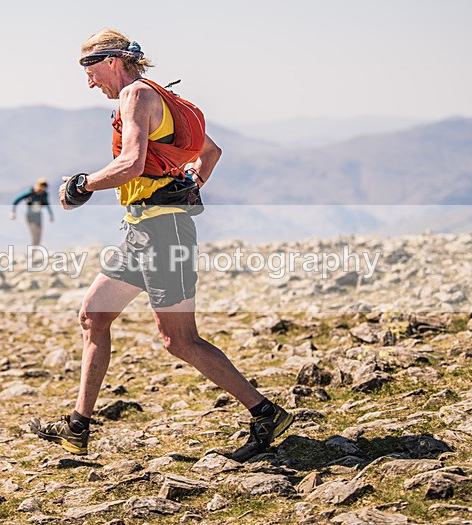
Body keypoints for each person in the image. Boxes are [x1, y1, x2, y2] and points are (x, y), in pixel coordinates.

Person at [29, 29, 293, 462]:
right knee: (93, 316)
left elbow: (131, 162)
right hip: (143, 231)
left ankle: (266, 413)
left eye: (89, 70)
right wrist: (193, 182)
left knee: (179, 340)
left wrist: (82, 185)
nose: (89, 83)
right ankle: (78, 428)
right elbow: (212, 151)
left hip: (163, 233)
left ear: (113, 61)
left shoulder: (135, 95)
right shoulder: (167, 100)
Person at [10, 177, 54, 246]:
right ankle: (30, 252)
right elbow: (16, 200)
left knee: (39, 236)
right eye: (42, 187)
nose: (43, 189)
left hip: (38, 216)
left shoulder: (44, 195)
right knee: (34, 234)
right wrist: (13, 212)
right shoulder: (30, 192)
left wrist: (51, 215)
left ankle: (33, 252)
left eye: (45, 187)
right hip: (30, 216)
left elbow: (47, 204)